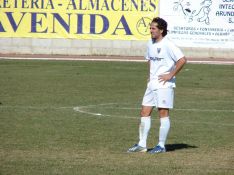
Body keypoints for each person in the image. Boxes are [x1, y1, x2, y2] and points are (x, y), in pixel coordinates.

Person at [127, 17, 186, 154]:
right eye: (150, 28)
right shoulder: (150, 43)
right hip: (152, 83)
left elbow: (182, 60)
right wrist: (149, 75)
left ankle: (161, 145)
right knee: (144, 112)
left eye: (153, 28)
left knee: (163, 114)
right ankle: (142, 144)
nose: (151, 30)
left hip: (164, 84)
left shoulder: (168, 44)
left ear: (161, 30)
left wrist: (170, 75)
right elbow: (149, 60)